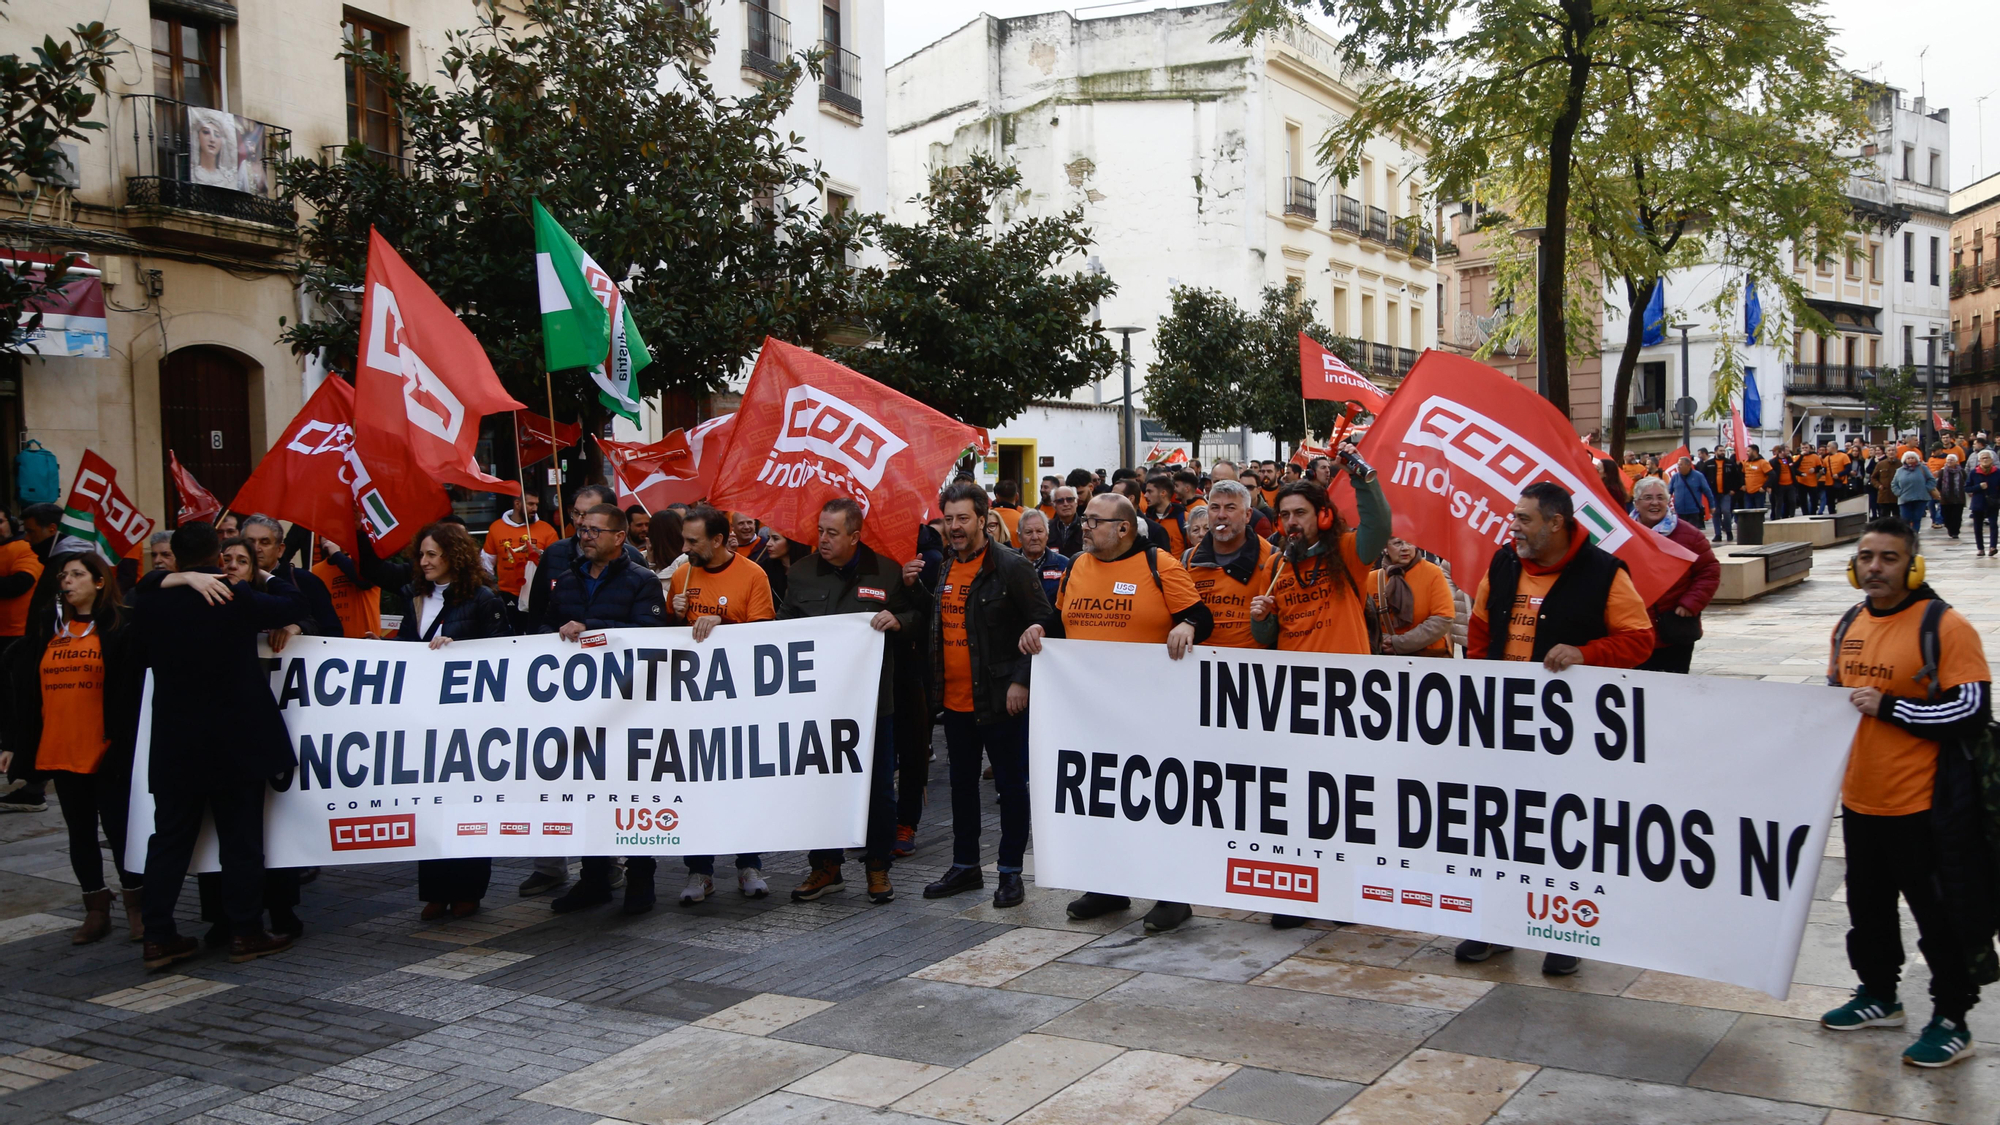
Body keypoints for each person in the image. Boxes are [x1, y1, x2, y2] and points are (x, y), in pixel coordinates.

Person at [1458, 482, 1655, 975]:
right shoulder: (1502, 564)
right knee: (1499, 827)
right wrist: (1486, 686)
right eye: (1513, 517)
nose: (1513, 526)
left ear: (1556, 523)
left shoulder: (1605, 573)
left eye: (1524, 519)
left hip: (1569, 734)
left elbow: (1640, 640)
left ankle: (1566, 930)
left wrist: (1586, 655)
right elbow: (1481, 631)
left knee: (1562, 830)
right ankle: (1494, 925)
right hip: (1503, 723)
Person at [1819, 517, 1991, 1068]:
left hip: (1925, 807)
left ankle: (1952, 1018)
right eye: (1867, 557)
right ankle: (1879, 995)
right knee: (1867, 909)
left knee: (1939, 917)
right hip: (1861, 801)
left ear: (1913, 565)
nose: (1875, 567)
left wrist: (1892, 706)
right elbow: (1834, 701)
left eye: (1889, 558)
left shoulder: (1944, 626)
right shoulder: (1848, 622)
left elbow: (1972, 710)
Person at [1024, 490, 1212, 932]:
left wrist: (1185, 624)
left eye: (1093, 521)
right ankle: (1108, 885)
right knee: (1104, 798)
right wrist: (1039, 628)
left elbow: (1201, 616)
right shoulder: (1077, 567)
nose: (1083, 527)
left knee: (1162, 801)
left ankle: (1174, 894)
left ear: (1123, 528)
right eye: (1085, 520)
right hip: (1092, 712)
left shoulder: (1158, 564)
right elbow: (1060, 622)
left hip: (1153, 710)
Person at [127, 521, 306, 970]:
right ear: (217, 556)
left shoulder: (153, 599)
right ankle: (246, 931)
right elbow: (292, 602)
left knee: (168, 841)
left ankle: (158, 936)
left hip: (176, 744)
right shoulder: (231, 593)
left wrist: (176, 578)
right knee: (241, 841)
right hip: (235, 741)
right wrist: (256, 574)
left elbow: (135, 593)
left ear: (175, 558)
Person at [361, 522, 513, 919]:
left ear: (454, 557)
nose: (423, 562)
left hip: (469, 721)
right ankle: (435, 890)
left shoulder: (483, 599)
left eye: (432, 555)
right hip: (426, 718)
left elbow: (504, 656)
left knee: (467, 806)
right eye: (421, 555)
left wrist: (459, 651)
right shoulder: (414, 595)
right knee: (430, 804)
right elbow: (412, 647)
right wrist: (385, 652)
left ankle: (468, 890)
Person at [781, 500, 922, 906]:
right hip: (817, 704)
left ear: (855, 536)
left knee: (878, 789)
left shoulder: (886, 572)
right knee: (819, 786)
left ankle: (877, 865)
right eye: (820, 531)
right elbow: (784, 623)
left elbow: (915, 616)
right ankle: (825, 865)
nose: (822, 539)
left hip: (872, 704)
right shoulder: (802, 573)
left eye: (832, 533)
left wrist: (898, 621)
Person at [920, 482, 1054, 908]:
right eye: (948, 519)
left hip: (1001, 699)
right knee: (961, 786)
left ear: (984, 518)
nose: (955, 527)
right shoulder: (942, 565)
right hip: (956, 702)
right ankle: (965, 866)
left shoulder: (1011, 566)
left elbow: (1043, 625)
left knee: (1012, 788)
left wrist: (1022, 679)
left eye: (963, 518)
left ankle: (1011, 872)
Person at [3, 553, 143, 943]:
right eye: (64, 575)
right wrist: (14, 742)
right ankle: (96, 907)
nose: (68, 581)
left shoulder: (120, 624)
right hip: (61, 747)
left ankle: (138, 906)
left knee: (118, 832)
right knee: (79, 834)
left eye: (78, 574)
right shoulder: (50, 626)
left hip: (106, 749)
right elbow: (25, 687)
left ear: (99, 582)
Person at [543, 505, 670, 914]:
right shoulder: (565, 580)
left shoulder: (642, 581)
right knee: (585, 792)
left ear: (619, 537)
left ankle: (640, 880)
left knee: (631, 794)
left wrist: (593, 628)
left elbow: (651, 634)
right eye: (582, 529)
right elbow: (542, 634)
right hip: (579, 709)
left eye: (595, 530)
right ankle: (594, 878)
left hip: (628, 708)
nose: (586, 536)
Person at [662, 505, 773, 905]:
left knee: (741, 783)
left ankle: (748, 863)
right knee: (697, 785)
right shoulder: (681, 574)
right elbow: (669, 642)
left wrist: (724, 627)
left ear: (719, 540)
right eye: (684, 540)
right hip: (694, 701)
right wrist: (673, 619)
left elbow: (763, 638)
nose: (685, 547)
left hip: (739, 699)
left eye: (693, 541)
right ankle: (700, 869)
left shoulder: (752, 575)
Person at [1250, 457, 1392, 655]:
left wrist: (1358, 474)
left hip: (1346, 677)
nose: (1291, 521)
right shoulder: (1275, 565)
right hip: (1295, 677)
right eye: (1285, 515)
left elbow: (1379, 525)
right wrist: (1260, 619)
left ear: (1323, 517)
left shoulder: (1347, 550)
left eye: (1300, 512)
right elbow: (1265, 637)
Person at [1630, 476, 1720, 673]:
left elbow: (1709, 571)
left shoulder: (1689, 535)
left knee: (1675, 687)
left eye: (1660, 497)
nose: (1655, 503)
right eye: (1647, 498)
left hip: (1675, 628)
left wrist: (1690, 603)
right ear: (1636, 502)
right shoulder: (1623, 535)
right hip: (1635, 631)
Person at [1184, 480, 1277, 650]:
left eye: (1230, 508)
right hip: (1197, 665)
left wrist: (1264, 620)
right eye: (1214, 508)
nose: (1221, 515)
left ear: (1248, 515)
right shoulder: (1188, 559)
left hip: (1252, 667)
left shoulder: (1272, 558)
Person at [239, 515, 342, 639]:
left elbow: (332, 631)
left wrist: (301, 627)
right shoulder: (230, 580)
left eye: (264, 543)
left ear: (280, 550)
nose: (256, 549)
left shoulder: (306, 581)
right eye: (250, 542)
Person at [1368, 537, 1455, 657]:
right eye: (1398, 543)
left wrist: (1400, 643)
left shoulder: (1433, 573)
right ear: (1385, 548)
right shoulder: (1372, 579)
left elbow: (1443, 618)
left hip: (1428, 656)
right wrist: (1380, 639)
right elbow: (1362, 621)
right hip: (1387, 658)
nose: (1405, 548)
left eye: (1409, 542)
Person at [484, 493, 558, 611]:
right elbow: (486, 563)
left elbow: (557, 562)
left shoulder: (547, 529)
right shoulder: (496, 528)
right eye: (530, 504)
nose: (535, 508)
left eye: (536, 504)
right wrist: (491, 589)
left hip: (538, 592)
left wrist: (540, 553)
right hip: (507, 593)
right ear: (517, 504)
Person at [311, 537, 380, 639]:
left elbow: (364, 582)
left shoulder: (365, 561)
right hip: (331, 642)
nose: (328, 535)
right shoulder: (315, 571)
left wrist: (336, 555)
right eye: (324, 532)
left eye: (334, 531)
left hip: (365, 641)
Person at [1015, 508, 1071, 602]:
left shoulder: (1064, 565)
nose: (1035, 537)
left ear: (1047, 535)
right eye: (1028, 532)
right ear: (1019, 537)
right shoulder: (1008, 564)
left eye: (1039, 531)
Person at [1667, 456, 1716, 533]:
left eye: (1681, 465)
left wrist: (1712, 505)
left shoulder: (1698, 476)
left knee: (1691, 532)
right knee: (1681, 532)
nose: (1678, 467)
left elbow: (1707, 491)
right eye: (1678, 465)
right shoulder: (1675, 477)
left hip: (1693, 511)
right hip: (1679, 511)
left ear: (1688, 465)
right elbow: (1668, 492)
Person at [1892, 452, 1937, 529]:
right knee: (1905, 519)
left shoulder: (1923, 468)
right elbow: (1894, 484)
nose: (1910, 460)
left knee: (1917, 518)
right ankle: (1907, 535)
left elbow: (1932, 480)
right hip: (1904, 498)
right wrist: (1899, 493)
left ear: (1916, 459)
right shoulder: (1899, 471)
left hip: (1920, 497)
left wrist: (1926, 488)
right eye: (1908, 458)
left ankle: (1915, 534)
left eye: (1912, 458)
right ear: (1904, 460)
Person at [1969, 449, 2000, 557]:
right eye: (1983, 458)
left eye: (1987, 458)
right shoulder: (1974, 473)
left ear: (1992, 460)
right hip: (1978, 503)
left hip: (1993, 502)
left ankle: (1993, 547)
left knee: (1993, 525)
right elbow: (1967, 488)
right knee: (1977, 527)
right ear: (1979, 460)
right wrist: (1979, 487)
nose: (1985, 460)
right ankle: (1980, 548)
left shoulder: (1997, 472)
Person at [1937, 454, 1967, 540]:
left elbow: (1966, 481)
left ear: (1956, 461)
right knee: (1946, 516)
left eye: (1951, 460)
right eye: (1948, 460)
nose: (1949, 462)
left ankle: (1955, 532)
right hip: (1945, 498)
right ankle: (1950, 528)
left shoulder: (1961, 471)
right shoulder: (1942, 472)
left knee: (1957, 516)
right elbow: (1938, 484)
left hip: (1958, 498)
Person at [1048, 486, 1082, 556]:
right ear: (1053, 506)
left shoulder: (1086, 527)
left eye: (1070, 499)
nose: (1066, 504)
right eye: (1060, 501)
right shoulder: (1047, 528)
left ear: (1076, 502)